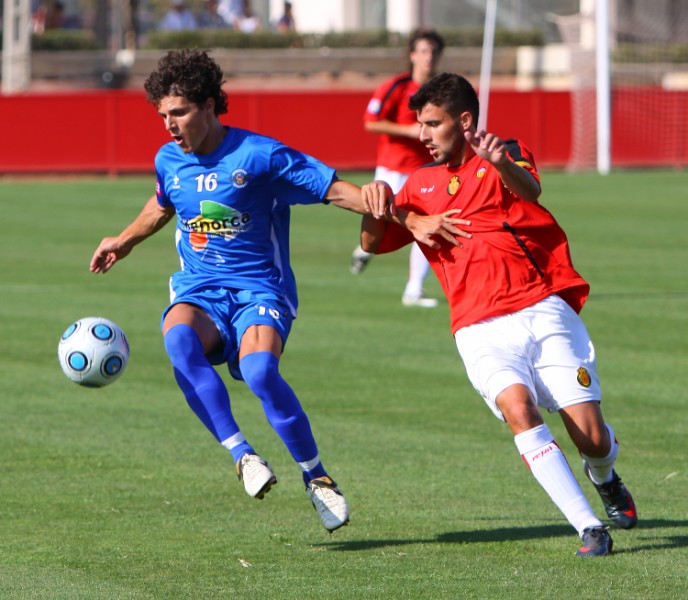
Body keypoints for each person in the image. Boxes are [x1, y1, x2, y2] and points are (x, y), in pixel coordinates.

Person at [89, 49, 392, 533]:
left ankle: (317, 477)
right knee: (178, 340)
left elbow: (334, 190)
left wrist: (383, 202)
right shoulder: (168, 158)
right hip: (200, 289)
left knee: (259, 372)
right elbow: (163, 203)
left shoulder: (260, 155)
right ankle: (241, 454)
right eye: (163, 115)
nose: (169, 125)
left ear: (210, 106)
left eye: (180, 113)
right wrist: (123, 241)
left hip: (260, 291)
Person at [358, 73, 638, 557]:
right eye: (419, 124)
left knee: (591, 438)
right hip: (478, 328)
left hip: (542, 310)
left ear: (464, 121)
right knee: (517, 408)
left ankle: (605, 476)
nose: (422, 135)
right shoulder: (420, 185)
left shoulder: (505, 152)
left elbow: (529, 191)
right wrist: (377, 205)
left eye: (432, 124)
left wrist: (499, 162)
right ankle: (588, 526)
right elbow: (371, 243)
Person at [350, 28, 445, 308]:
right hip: (392, 169)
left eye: (434, 51)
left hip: (425, 171)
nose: (429, 57)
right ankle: (364, 249)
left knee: (426, 226)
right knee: (379, 219)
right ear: (413, 54)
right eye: (424, 50)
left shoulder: (442, 89)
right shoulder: (396, 86)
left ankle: (413, 289)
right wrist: (407, 130)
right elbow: (370, 121)